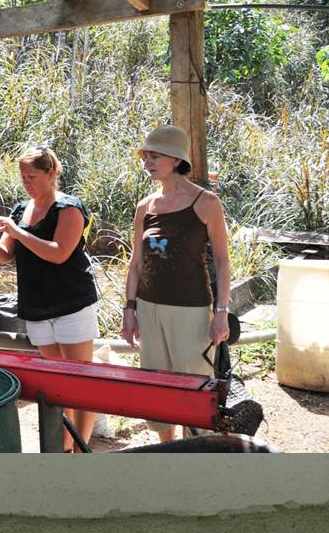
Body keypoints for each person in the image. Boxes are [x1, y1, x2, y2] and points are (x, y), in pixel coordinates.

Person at [0, 146, 99, 452]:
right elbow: (4, 255)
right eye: (23, 177)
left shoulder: (68, 208)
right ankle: (65, 446)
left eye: (32, 177)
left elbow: (59, 253)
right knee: (59, 383)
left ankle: (82, 450)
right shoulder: (20, 210)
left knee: (81, 381)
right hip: (37, 306)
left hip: (71, 303)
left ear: (50, 173)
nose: (27, 183)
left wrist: (17, 231)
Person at [120, 124, 231, 442]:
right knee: (157, 388)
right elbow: (136, 264)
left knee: (194, 389)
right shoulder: (145, 206)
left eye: (154, 156)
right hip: (149, 308)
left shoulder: (206, 202)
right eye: (145, 157)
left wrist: (221, 312)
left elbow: (223, 262)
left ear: (176, 159)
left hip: (191, 311)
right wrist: (130, 310)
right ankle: (166, 453)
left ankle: (194, 453)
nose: (147, 162)